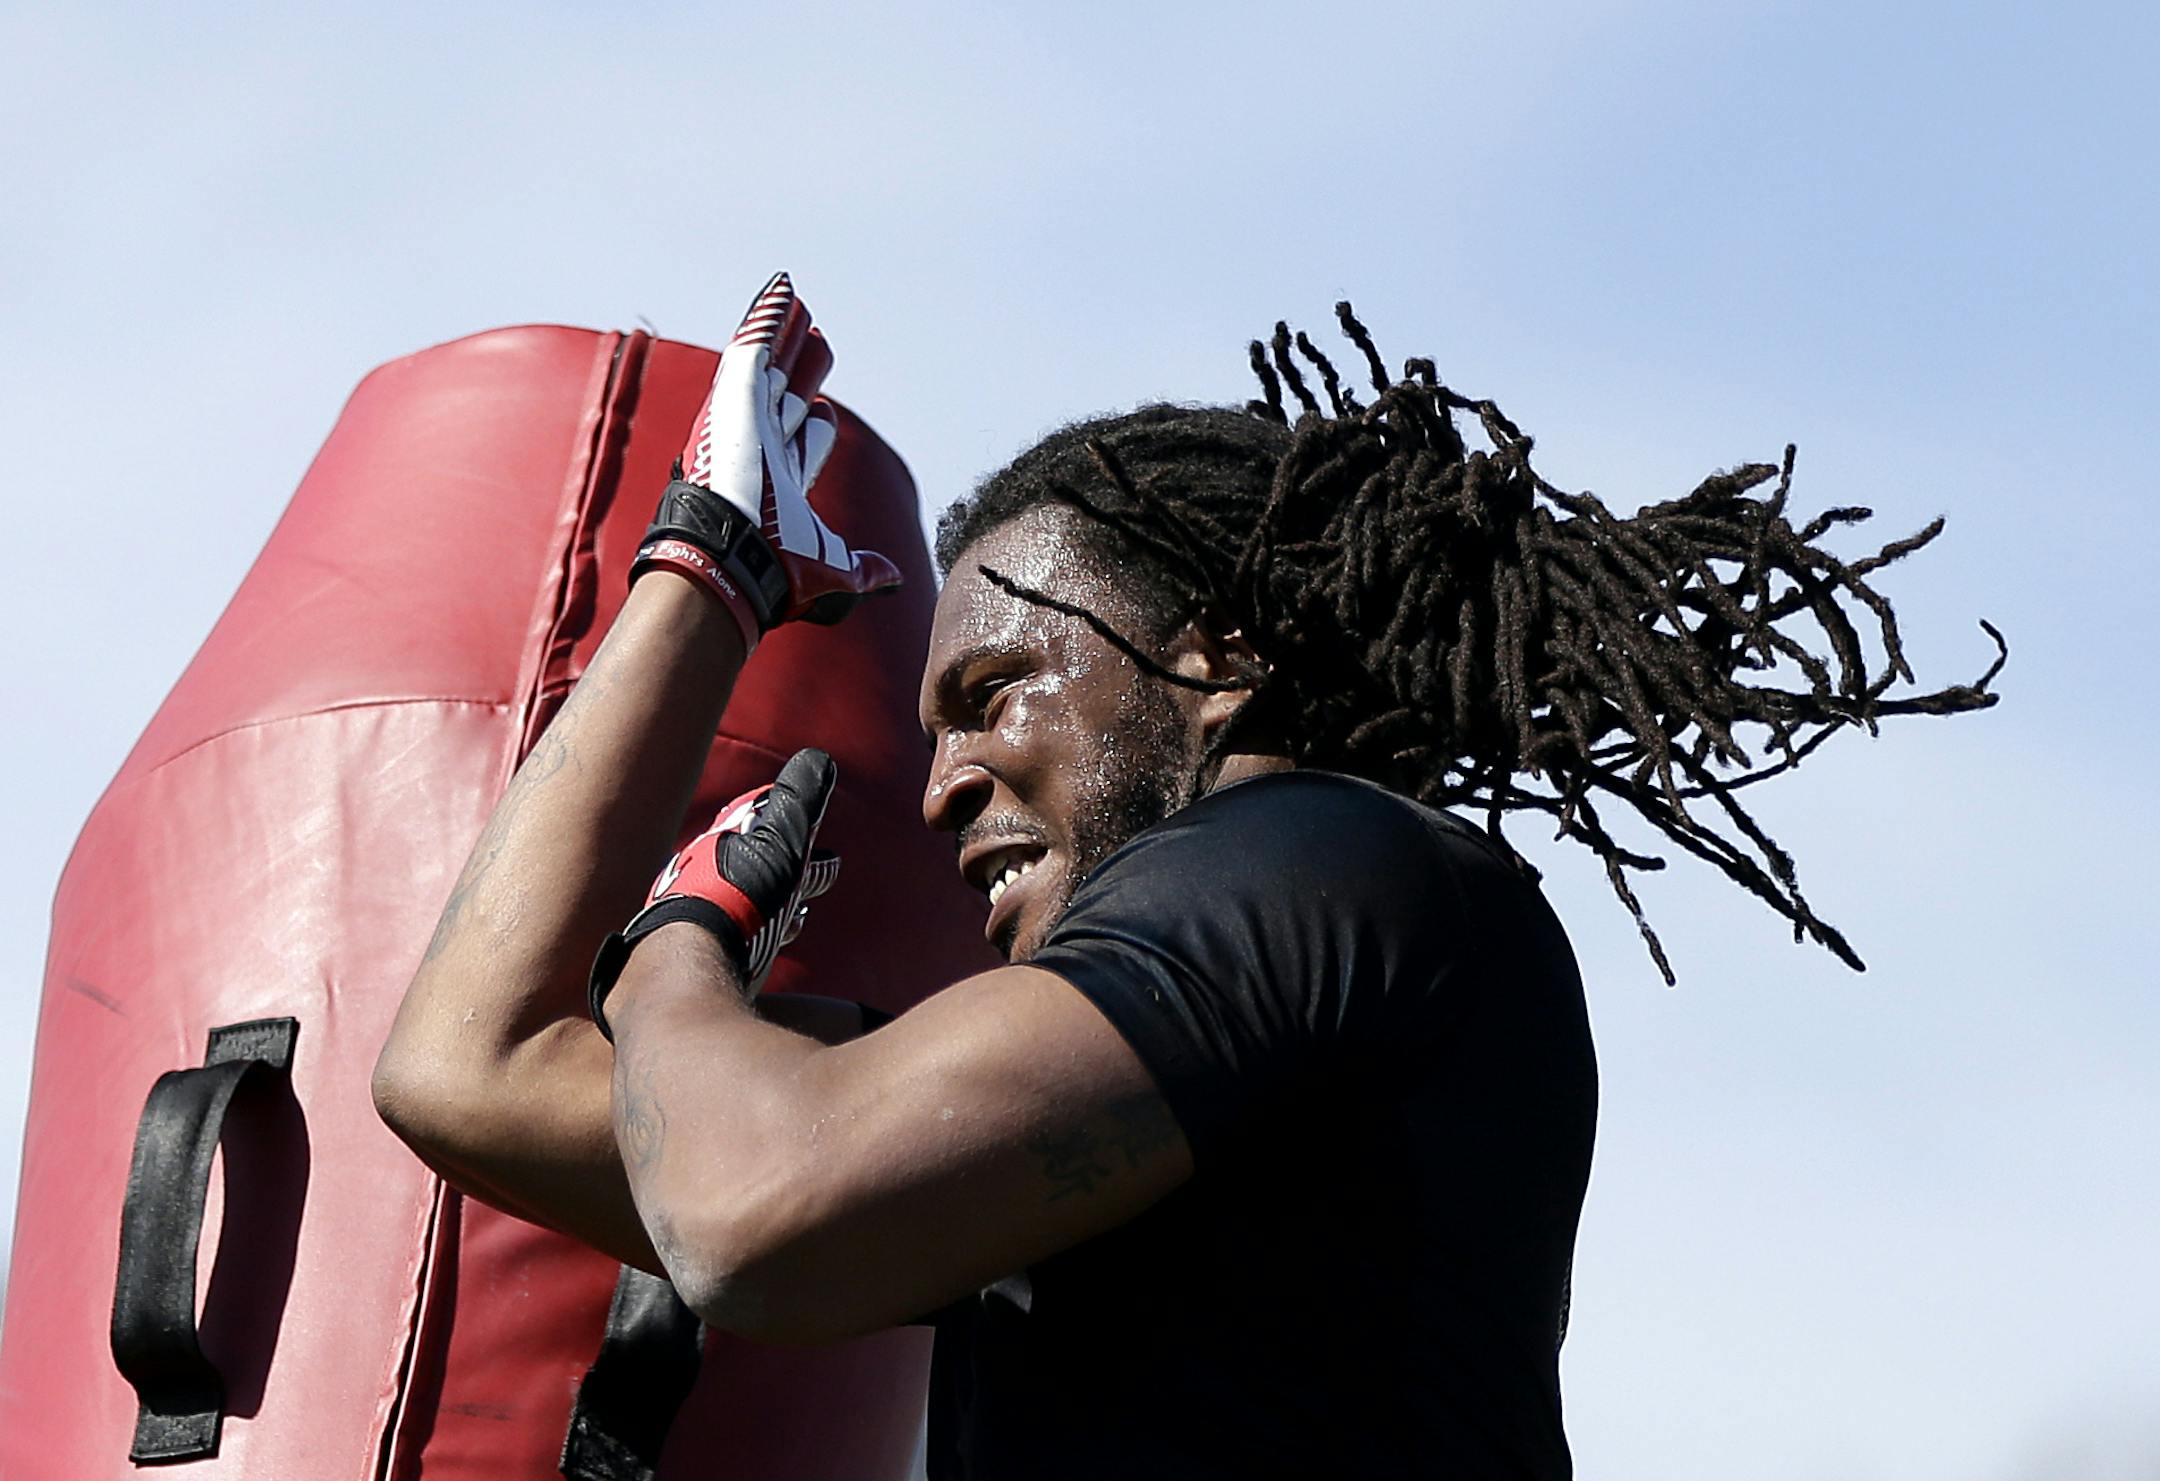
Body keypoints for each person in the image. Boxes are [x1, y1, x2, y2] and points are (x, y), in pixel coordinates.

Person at [373, 276, 2002, 1479]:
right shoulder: (1086, 1097)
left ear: (1216, 662)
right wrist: (706, 564)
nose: (939, 782)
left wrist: (680, 940)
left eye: (992, 691)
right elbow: (465, 1066)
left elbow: (750, 1212)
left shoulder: (1321, 860)